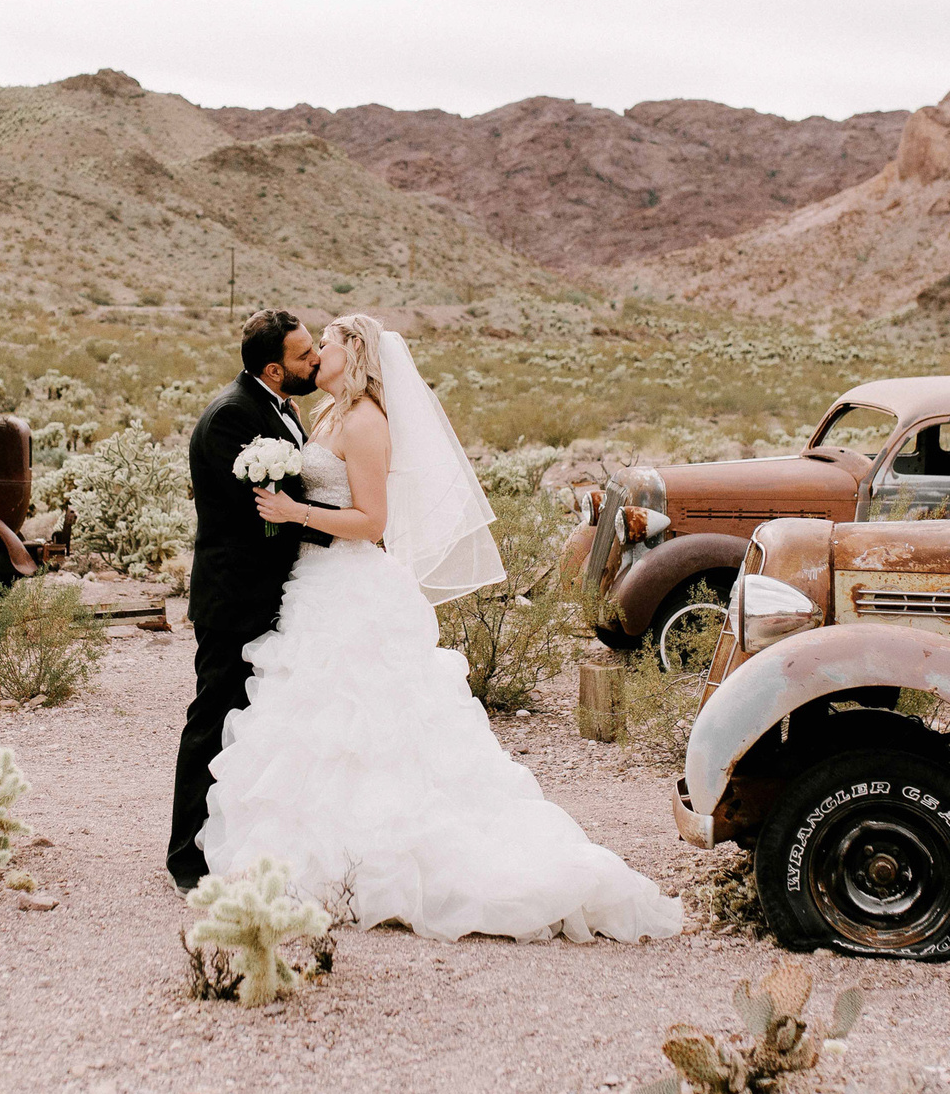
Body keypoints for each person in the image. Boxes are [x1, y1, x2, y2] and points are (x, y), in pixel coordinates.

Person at [195, 313, 684, 943]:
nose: (318, 355)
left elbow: (372, 521)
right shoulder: (325, 416)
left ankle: (382, 861)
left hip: (350, 585)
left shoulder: (368, 420)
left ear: (357, 352)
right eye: (311, 349)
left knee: (365, 728)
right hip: (314, 585)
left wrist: (293, 511)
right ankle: (328, 852)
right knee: (320, 730)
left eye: (329, 344)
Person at [167, 310, 332, 891]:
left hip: (274, 592)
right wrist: (343, 530)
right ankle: (186, 859)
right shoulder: (233, 417)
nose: (315, 361)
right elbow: (258, 513)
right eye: (304, 355)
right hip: (236, 597)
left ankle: (237, 843)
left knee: (259, 725)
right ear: (273, 368)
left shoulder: (278, 407)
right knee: (213, 720)